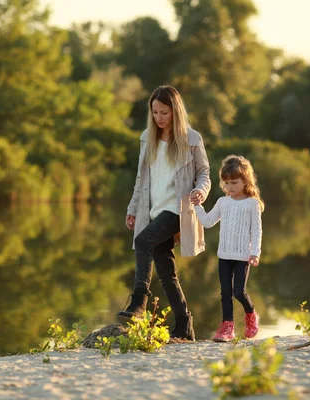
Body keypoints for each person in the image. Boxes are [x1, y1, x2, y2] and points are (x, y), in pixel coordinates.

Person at [118, 85, 211, 341]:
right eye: (155, 112)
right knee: (166, 270)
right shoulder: (147, 138)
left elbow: (204, 172)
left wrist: (201, 190)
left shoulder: (191, 139)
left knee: (142, 241)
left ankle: (139, 302)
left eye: (164, 113)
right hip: (153, 209)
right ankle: (184, 325)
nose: (159, 117)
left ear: (175, 112)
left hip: (177, 208)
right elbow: (141, 178)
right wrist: (133, 209)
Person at [190, 155, 264, 341]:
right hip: (224, 255)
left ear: (245, 180)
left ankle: (251, 315)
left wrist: (255, 252)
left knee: (239, 291)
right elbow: (207, 222)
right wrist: (197, 206)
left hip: (243, 256)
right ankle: (227, 327)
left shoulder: (252, 204)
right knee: (225, 293)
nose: (230, 186)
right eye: (227, 183)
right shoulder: (223, 202)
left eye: (234, 182)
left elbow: (256, 231)